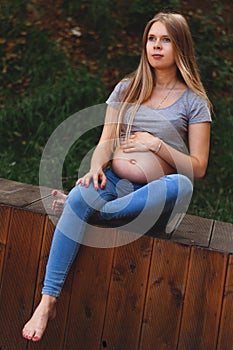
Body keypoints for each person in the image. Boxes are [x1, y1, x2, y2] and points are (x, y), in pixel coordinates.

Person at [22, 12, 211, 342]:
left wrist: (157, 146)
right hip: (114, 182)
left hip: (155, 195)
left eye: (165, 39)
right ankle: (47, 302)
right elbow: (105, 143)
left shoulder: (194, 103)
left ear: (180, 45)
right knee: (84, 192)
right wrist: (95, 168)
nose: (156, 46)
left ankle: (85, 209)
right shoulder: (128, 88)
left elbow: (198, 166)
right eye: (152, 39)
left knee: (181, 183)